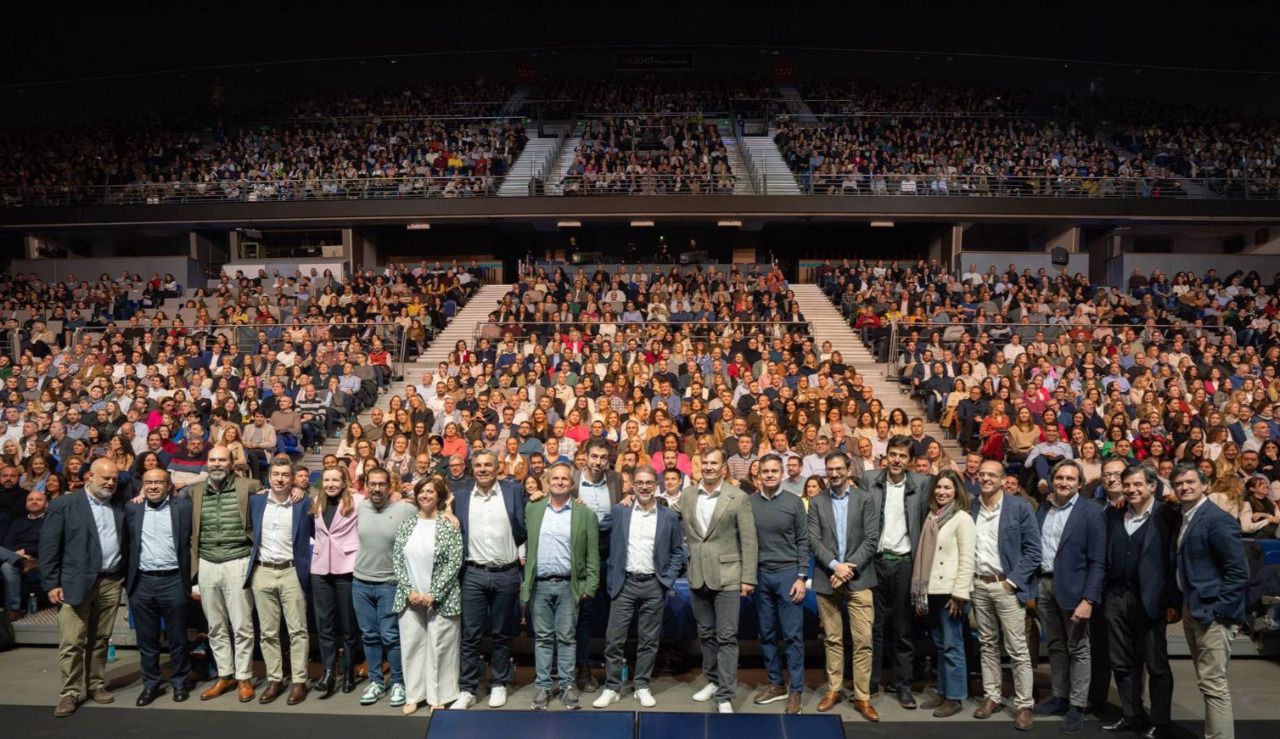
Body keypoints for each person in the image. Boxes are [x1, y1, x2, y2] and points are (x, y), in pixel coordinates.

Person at [39, 457, 127, 718]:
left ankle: (96, 684)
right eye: (105, 478)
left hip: (111, 581)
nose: (110, 483)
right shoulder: (64, 504)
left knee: (100, 639)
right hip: (74, 583)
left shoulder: (120, 504)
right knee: (72, 642)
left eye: (114, 479)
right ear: (90, 477)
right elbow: (48, 547)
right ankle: (69, 692)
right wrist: (51, 583)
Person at [592, 465, 685, 710]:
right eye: (639, 482)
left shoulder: (670, 517)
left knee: (649, 640)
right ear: (632, 485)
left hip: (654, 585)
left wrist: (667, 579)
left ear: (657, 486)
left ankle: (642, 684)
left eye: (649, 483)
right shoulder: (620, 511)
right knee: (614, 640)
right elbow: (595, 530)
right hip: (624, 584)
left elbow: (678, 552)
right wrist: (578, 507)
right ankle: (612, 687)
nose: (644, 486)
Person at [1103, 465, 1181, 739]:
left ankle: (1160, 722)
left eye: (1138, 485)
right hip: (1115, 597)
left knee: (1156, 665)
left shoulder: (1167, 514)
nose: (1132, 489)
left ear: (1152, 486)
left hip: (1151, 599)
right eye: (1127, 485)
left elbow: (1173, 559)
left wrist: (1173, 600)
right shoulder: (1114, 513)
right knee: (1122, 662)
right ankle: (1131, 714)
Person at [1172, 464, 1248, 739]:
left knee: (1214, 685)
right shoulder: (1187, 516)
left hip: (1213, 613)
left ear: (1205, 485)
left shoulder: (1217, 519)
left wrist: (1220, 610)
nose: (1184, 487)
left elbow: (1239, 572)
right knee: (1207, 683)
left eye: (1190, 481)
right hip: (1193, 609)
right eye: (1179, 483)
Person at [680, 448, 758, 714]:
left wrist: (748, 577)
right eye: (705, 463)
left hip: (728, 577)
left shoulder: (738, 497)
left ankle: (725, 694)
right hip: (697, 574)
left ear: (723, 468)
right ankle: (712, 680)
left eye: (714, 463)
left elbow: (749, 540)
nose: (709, 467)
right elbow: (670, 516)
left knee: (726, 637)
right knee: (705, 634)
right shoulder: (688, 495)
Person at [1032, 460, 1106, 734]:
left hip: (1075, 592)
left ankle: (1077, 705)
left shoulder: (1091, 512)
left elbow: (1098, 562)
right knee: (1055, 646)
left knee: (1079, 649)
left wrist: (1088, 600)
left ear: (1080, 483)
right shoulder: (1043, 508)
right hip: (1044, 586)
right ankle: (1060, 697)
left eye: (1070, 479)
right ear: (1052, 480)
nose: (1064, 482)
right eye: (1059, 477)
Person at [452, 449, 527, 710]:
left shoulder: (513, 491)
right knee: (470, 635)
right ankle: (468, 689)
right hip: (472, 573)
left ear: (498, 468)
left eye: (488, 465)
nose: (483, 469)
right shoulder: (460, 498)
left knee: (501, 634)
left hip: (506, 573)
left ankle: (498, 683)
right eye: (479, 465)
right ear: (472, 468)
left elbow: (527, 520)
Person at [521, 461, 600, 710]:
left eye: (564, 479)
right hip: (540, 585)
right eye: (555, 478)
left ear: (572, 484)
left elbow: (592, 555)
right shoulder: (533, 508)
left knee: (567, 638)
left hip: (569, 586)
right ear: (548, 482)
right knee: (543, 638)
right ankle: (543, 686)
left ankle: (567, 686)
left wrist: (590, 585)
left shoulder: (584, 513)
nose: (559, 482)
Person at [970, 459, 1041, 731]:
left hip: (1006, 586)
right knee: (987, 644)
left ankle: (1024, 704)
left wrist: (1012, 582)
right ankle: (993, 696)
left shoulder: (1020, 508)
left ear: (1002, 480)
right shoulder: (972, 507)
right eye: (982, 474)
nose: (986, 478)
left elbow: (1034, 551)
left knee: (1017, 649)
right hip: (979, 585)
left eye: (992, 475)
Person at [809, 451, 881, 721]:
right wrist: (833, 565)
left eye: (839, 469)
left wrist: (846, 568)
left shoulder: (865, 500)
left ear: (849, 470)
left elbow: (871, 540)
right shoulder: (816, 501)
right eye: (830, 470)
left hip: (858, 578)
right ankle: (834, 689)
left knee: (863, 641)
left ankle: (862, 696)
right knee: (832, 639)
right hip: (827, 579)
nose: (835, 474)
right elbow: (813, 539)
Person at [862, 434, 930, 706]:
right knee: (874, 626)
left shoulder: (923, 483)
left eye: (903, 456)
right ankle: (871, 681)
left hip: (904, 563)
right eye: (893, 454)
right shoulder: (870, 480)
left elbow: (926, 522)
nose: (897, 460)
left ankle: (903, 684)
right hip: (875, 563)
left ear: (910, 461)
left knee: (902, 628)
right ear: (885, 455)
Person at [188, 445, 260, 703]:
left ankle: (244, 677)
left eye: (222, 460)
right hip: (206, 563)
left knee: (242, 625)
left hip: (238, 561)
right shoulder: (195, 491)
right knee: (216, 626)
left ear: (231, 463)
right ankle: (224, 675)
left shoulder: (249, 486)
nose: (216, 464)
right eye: (212, 460)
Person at [245, 456, 314, 705]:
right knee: (268, 632)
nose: (280, 479)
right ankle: (275, 680)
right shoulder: (256, 501)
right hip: (262, 572)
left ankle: (298, 681)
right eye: (276, 474)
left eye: (286, 475)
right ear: (269, 476)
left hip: (291, 571)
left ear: (293, 478)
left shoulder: (303, 503)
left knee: (298, 631)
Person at [392, 476, 464, 715]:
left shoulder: (449, 524)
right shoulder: (407, 524)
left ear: (439, 496)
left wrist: (434, 593)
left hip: (441, 598)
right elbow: (398, 561)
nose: (425, 495)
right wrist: (409, 590)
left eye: (430, 492)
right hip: (410, 597)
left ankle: (438, 696)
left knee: (440, 646)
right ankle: (414, 695)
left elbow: (455, 562)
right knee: (412, 646)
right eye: (421, 491)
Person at [124, 468, 193, 706]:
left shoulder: (183, 507)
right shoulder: (132, 508)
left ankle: (180, 681)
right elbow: (126, 543)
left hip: (174, 579)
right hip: (142, 581)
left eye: (158, 482)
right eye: (148, 482)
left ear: (168, 485)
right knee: (147, 640)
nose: (153, 486)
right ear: (142, 485)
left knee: (177, 638)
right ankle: (151, 685)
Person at [747, 453, 808, 714]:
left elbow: (803, 541)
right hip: (761, 575)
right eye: (765, 471)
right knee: (767, 633)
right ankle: (775, 683)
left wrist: (802, 577)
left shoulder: (794, 503)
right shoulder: (748, 502)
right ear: (758, 474)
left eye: (774, 470)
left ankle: (796, 690)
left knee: (793, 636)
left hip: (788, 575)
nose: (770, 475)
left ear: (782, 473)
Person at [911, 470, 974, 718]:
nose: (942, 492)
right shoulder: (932, 517)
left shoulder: (962, 519)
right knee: (940, 644)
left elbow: (967, 559)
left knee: (952, 645)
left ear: (956, 491)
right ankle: (943, 691)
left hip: (951, 593)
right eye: (939, 488)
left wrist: (959, 595)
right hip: (933, 592)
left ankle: (955, 696)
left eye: (947, 488)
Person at [353, 466, 416, 708]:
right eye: (373, 484)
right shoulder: (361, 505)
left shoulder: (405, 508)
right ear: (366, 485)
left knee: (390, 636)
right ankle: (377, 682)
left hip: (389, 583)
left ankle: (398, 682)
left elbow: (432, 510)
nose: (377, 488)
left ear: (391, 487)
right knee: (369, 636)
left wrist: (450, 511)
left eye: (382, 484)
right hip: (360, 582)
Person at [571, 438, 622, 693]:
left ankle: (615, 667)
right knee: (584, 615)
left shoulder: (617, 480)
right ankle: (582, 667)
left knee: (616, 613)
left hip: (611, 555)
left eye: (603, 457)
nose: (599, 462)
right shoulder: (571, 480)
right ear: (585, 456)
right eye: (594, 456)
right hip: (581, 557)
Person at [311, 466, 362, 697]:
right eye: (327, 480)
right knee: (325, 626)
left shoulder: (358, 501)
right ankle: (329, 671)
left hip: (347, 569)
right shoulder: (316, 502)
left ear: (344, 482)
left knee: (349, 626)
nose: (331, 484)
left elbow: (384, 503)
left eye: (335, 480)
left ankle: (349, 670)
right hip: (321, 569)